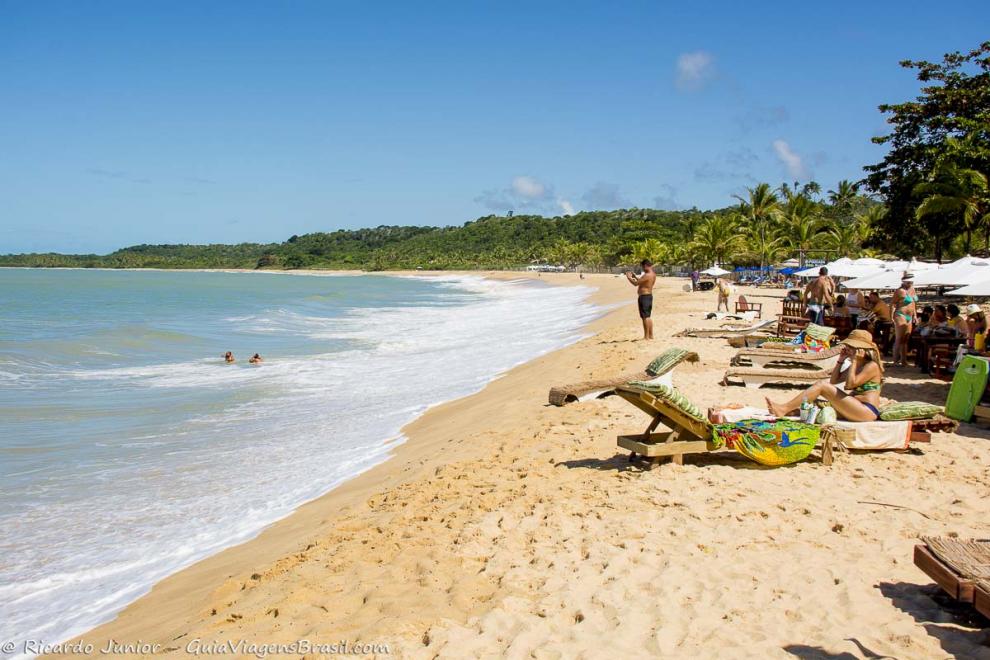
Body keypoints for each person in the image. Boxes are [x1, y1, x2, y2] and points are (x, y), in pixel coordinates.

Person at [766, 329, 884, 422]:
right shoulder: (857, 365)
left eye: (851, 347)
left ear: (861, 349)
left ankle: (783, 408)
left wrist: (854, 361)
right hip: (854, 407)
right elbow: (833, 381)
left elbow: (849, 385)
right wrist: (841, 360)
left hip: (865, 410)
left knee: (821, 386)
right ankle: (786, 411)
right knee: (812, 405)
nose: (847, 349)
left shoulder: (871, 366)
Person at [625, 259, 656, 340]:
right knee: (648, 316)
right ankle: (650, 335)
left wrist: (629, 278)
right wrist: (635, 277)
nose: (642, 268)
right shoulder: (652, 274)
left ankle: (646, 337)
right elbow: (642, 282)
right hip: (648, 296)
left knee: (645, 317)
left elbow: (636, 283)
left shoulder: (647, 275)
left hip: (644, 297)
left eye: (642, 267)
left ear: (645, 265)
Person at [891, 272, 917, 367]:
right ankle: (895, 360)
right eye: (908, 282)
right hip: (900, 314)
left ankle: (904, 360)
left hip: (909, 316)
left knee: (905, 339)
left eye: (911, 282)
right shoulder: (899, 291)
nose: (910, 284)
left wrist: (915, 315)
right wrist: (891, 317)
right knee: (898, 339)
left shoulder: (912, 290)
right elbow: (892, 304)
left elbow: (914, 303)